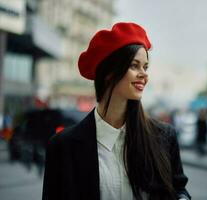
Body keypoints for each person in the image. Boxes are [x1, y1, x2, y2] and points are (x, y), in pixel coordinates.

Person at [42, 22, 191, 200]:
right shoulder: (62, 146)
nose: (144, 74)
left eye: (145, 67)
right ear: (109, 72)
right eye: (134, 65)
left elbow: (179, 189)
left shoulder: (164, 137)